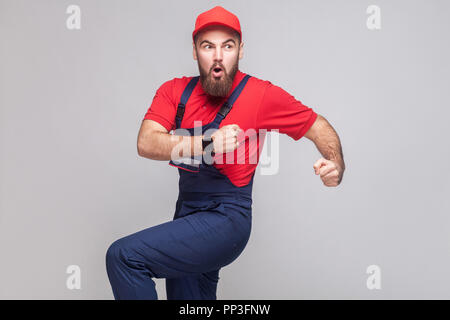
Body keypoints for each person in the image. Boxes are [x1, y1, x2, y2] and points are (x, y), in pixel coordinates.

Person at [105, 5, 345, 300]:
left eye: (227, 46)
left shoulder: (261, 95)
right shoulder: (174, 91)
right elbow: (147, 142)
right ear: (195, 51)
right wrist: (207, 144)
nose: (218, 56)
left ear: (240, 50)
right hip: (187, 215)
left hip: (227, 218)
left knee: (124, 257)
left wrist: (336, 164)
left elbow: (317, 126)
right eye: (208, 46)